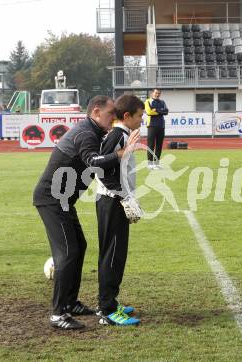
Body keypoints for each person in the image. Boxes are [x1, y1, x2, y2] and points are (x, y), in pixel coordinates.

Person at [33, 96, 140, 330]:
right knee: (69, 252)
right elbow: (93, 161)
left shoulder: (94, 132)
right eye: (110, 113)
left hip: (63, 202)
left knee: (79, 247)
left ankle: (71, 303)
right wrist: (122, 153)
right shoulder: (85, 133)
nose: (113, 117)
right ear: (95, 112)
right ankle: (58, 313)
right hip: (51, 200)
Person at [95, 95, 144, 326]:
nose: (142, 120)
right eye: (139, 116)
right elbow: (99, 167)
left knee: (116, 254)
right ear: (127, 116)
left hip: (116, 200)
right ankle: (107, 310)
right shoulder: (117, 134)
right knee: (112, 255)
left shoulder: (124, 134)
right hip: (111, 201)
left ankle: (110, 302)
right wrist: (123, 195)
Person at [144, 88, 168, 170]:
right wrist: (160, 111)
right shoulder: (148, 101)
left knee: (159, 145)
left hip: (161, 125)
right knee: (151, 145)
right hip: (151, 125)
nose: (157, 94)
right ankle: (150, 164)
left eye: (158, 93)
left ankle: (156, 164)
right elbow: (149, 112)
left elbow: (166, 112)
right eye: (156, 93)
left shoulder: (162, 102)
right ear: (152, 93)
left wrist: (156, 110)